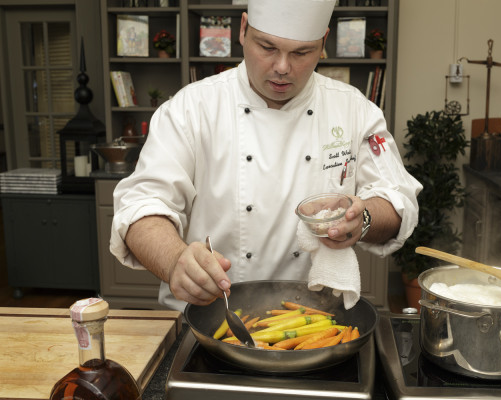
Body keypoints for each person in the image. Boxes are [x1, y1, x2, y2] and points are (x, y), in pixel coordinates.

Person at [110, 0, 422, 312]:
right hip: (208, 318)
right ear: (243, 30)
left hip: (315, 321)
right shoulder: (191, 109)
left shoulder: (354, 110)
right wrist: (175, 259)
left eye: (301, 52)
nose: (283, 67)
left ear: (324, 42)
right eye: (267, 47)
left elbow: (397, 200)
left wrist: (362, 217)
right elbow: (141, 206)